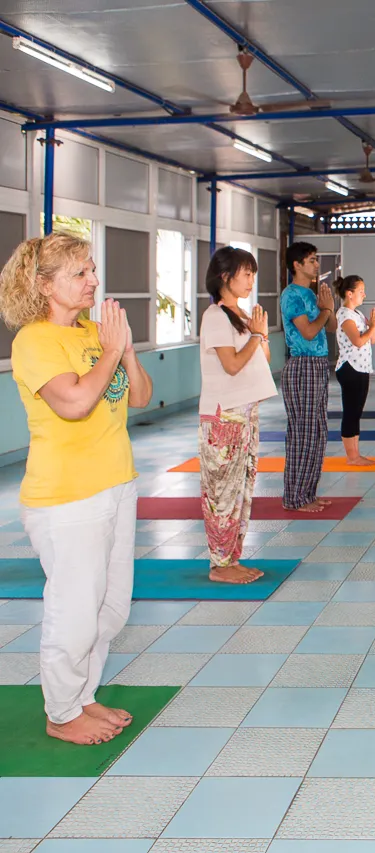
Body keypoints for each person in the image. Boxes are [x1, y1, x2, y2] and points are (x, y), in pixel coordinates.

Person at [0, 232, 153, 746]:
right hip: (67, 498)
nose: (93, 280)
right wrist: (109, 353)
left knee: (112, 607)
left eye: (92, 269)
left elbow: (139, 398)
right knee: (74, 611)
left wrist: (126, 351)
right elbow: (73, 403)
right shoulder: (34, 341)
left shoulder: (94, 333)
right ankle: (61, 711)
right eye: (80, 273)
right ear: (44, 285)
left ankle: (84, 695)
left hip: (116, 483)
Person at [198, 246, 277, 584]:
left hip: (246, 412)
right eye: (246, 274)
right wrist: (257, 335)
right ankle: (219, 564)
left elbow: (263, 360)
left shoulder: (241, 315)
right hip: (224, 416)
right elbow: (231, 365)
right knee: (222, 493)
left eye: (252, 275)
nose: (250, 281)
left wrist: (259, 334)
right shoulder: (215, 316)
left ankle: (232, 558)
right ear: (225, 277)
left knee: (242, 490)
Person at [280, 242, 336, 512]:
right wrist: (324, 311)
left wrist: (329, 306)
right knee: (303, 432)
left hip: (318, 365)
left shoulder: (313, 294)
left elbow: (332, 326)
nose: (316, 264)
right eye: (311, 260)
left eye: (317, 260)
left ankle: (308, 492)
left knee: (318, 432)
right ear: (297, 265)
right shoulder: (292, 295)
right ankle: (294, 497)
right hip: (302, 365)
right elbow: (309, 332)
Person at [335, 275, 375, 465]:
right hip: (349, 368)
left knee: (357, 411)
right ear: (349, 294)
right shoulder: (344, 315)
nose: (364, 295)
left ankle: (356, 454)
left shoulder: (358, 314)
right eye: (361, 291)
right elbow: (358, 341)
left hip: (362, 368)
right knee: (351, 411)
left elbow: (372, 340)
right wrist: (372, 328)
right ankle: (352, 457)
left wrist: (372, 328)